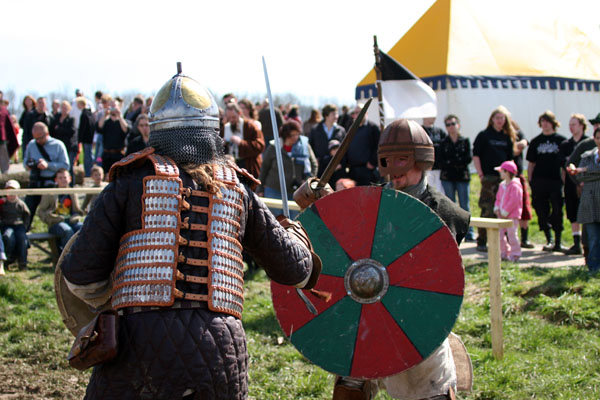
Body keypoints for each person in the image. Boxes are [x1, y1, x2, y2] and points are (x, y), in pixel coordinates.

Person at [60, 67, 322, 399]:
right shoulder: (237, 190)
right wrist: (294, 232)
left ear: (156, 131)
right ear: (212, 133)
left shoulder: (128, 183)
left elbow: (79, 276)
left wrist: (118, 293)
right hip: (219, 348)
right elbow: (298, 271)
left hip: (136, 344)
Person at [329, 119, 470, 400]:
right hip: (368, 311)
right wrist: (319, 203)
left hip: (419, 320)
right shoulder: (370, 201)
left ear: (421, 160)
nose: (394, 170)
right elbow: (340, 241)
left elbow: (440, 278)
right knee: (350, 384)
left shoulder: (447, 214)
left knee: (430, 389)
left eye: (402, 160)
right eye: (387, 161)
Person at [472, 106, 515, 252]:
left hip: (504, 179)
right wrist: (480, 174)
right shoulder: (484, 135)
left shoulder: (507, 137)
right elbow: (476, 155)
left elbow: (510, 159)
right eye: (497, 118)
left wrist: (511, 178)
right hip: (489, 177)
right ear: (492, 119)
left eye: (502, 118)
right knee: (487, 208)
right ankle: (482, 240)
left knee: (504, 209)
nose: (499, 121)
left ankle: (502, 241)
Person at [257, 119, 318, 217]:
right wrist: (259, 189)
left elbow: (314, 165)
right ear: (285, 135)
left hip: (297, 191)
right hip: (274, 189)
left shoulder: (304, 147)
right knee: (275, 219)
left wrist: (308, 181)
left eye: (297, 134)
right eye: (292, 135)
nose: (295, 137)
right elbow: (264, 168)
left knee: (294, 220)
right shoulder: (274, 147)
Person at [526, 110, 568, 252]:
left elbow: (564, 165)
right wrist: (530, 181)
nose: (545, 124)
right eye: (542, 121)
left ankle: (558, 241)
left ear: (553, 123)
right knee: (541, 210)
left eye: (547, 121)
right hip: (539, 181)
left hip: (555, 181)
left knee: (557, 210)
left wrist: (564, 182)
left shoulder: (561, 141)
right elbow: (531, 164)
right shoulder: (536, 141)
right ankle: (548, 238)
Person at [23, 122, 70, 230]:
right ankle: (24, 233)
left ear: (47, 134)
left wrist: (48, 165)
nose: (38, 141)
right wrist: (29, 165)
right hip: (35, 182)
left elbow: (65, 165)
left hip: (51, 184)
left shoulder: (58, 145)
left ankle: (57, 233)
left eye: (40, 138)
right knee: (27, 211)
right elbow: (25, 161)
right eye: (36, 138)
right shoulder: (31, 144)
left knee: (52, 211)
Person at [567, 127, 600, 274]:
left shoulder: (587, 162)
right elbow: (578, 175)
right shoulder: (587, 156)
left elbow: (581, 173)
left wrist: (586, 171)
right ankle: (593, 268)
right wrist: (583, 172)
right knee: (592, 238)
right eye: (598, 138)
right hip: (590, 201)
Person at [439, 114, 474, 241]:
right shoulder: (443, 143)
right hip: (448, 177)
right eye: (448, 124)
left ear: (458, 125)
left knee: (464, 205)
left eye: (453, 123)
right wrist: (456, 161)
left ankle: (469, 233)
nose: (451, 127)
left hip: (462, 177)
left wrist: (452, 161)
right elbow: (441, 160)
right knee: (450, 206)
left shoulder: (465, 141)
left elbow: (468, 158)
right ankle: (452, 233)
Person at [559, 114, 589, 255]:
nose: (571, 127)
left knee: (587, 213)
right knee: (572, 212)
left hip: (586, 184)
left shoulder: (588, 143)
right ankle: (576, 243)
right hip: (570, 183)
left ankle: (587, 243)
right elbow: (562, 165)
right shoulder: (566, 145)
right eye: (570, 124)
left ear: (582, 126)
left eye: (574, 124)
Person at [38, 168, 84, 252]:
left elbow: (78, 210)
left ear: (70, 178)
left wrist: (77, 216)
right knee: (67, 230)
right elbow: (41, 211)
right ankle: (67, 256)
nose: (63, 180)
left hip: (72, 221)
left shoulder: (73, 192)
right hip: (56, 223)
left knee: (84, 228)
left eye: (65, 177)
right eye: (60, 178)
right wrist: (50, 220)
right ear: (56, 180)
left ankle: (83, 254)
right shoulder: (50, 193)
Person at [222, 101, 265, 179]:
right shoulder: (225, 128)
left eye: (234, 117)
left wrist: (241, 143)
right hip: (230, 167)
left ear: (239, 113)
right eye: (229, 118)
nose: (231, 120)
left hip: (247, 166)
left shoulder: (250, 126)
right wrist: (222, 143)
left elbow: (260, 146)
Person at [510, 120, 534, 249]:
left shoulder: (518, 134)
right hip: (506, 178)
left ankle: (524, 238)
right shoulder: (500, 136)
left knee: (524, 208)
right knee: (507, 209)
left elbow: (522, 145)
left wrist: (516, 145)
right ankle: (509, 239)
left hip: (518, 175)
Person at [343, 104, 380, 186]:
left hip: (367, 170)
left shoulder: (373, 127)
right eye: (355, 112)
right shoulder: (351, 128)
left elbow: (378, 147)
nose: (357, 115)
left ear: (365, 113)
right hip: (352, 170)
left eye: (359, 112)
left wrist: (373, 162)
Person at [493, 161, 523, 262]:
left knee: (512, 235)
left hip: (512, 216)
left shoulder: (515, 186)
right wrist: (497, 208)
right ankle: (504, 252)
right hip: (501, 215)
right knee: (500, 235)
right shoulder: (502, 185)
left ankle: (515, 254)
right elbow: (498, 199)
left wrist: (505, 212)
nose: (500, 173)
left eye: (501, 171)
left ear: (507, 172)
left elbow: (514, 200)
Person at [0, 180, 31, 271]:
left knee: (22, 239)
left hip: (19, 225)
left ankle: (23, 262)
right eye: (8, 190)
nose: (11, 193)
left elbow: (27, 215)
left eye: (13, 190)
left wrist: (25, 227)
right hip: (6, 225)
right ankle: (7, 261)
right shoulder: (3, 203)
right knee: (8, 237)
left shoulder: (20, 204)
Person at [309, 104, 346, 177]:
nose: (336, 116)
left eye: (337, 114)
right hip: (320, 169)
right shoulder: (315, 130)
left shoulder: (341, 130)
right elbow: (310, 147)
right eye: (333, 114)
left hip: (337, 169)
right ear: (326, 115)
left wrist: (341, 164)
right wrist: (314, 160)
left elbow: (344, 149)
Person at [97, 99, 130, 175]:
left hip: (119, 154)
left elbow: (126, 130)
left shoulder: (123, 121)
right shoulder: (106, 122)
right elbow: (99, 127)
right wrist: (105, 115)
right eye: (111, 106)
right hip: (107, 154)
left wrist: (119, 116)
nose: (113, 108)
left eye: (114, 106)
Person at [421, 117, 447, 194]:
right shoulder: (419, 131)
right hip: (426, 167)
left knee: (441, 192)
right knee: (428, 192)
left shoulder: (440, 131)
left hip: (439, 167)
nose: (434, 117)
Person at [50, 101, 78, 172]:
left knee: (69, 167)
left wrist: (59, 129)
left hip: (69, 146)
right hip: (57, 146)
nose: (64, 110)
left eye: (65, 108)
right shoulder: (56, 118)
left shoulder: (71, 119)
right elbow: (52, 130)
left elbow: (72, 131)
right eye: (62, 108)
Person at [77, 97, 96, 177]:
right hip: (90, 138)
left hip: (86, 139)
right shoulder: (90, 113)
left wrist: (80, 139)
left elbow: (82, 128)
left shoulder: (84, 114)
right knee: (89, 155)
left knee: (87, 157)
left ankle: (88, 173)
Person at [0, 98, 19, 173]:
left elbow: (8, 126)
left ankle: (5, 179)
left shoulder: (3, 110)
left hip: (1, 141)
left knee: (4, 167)